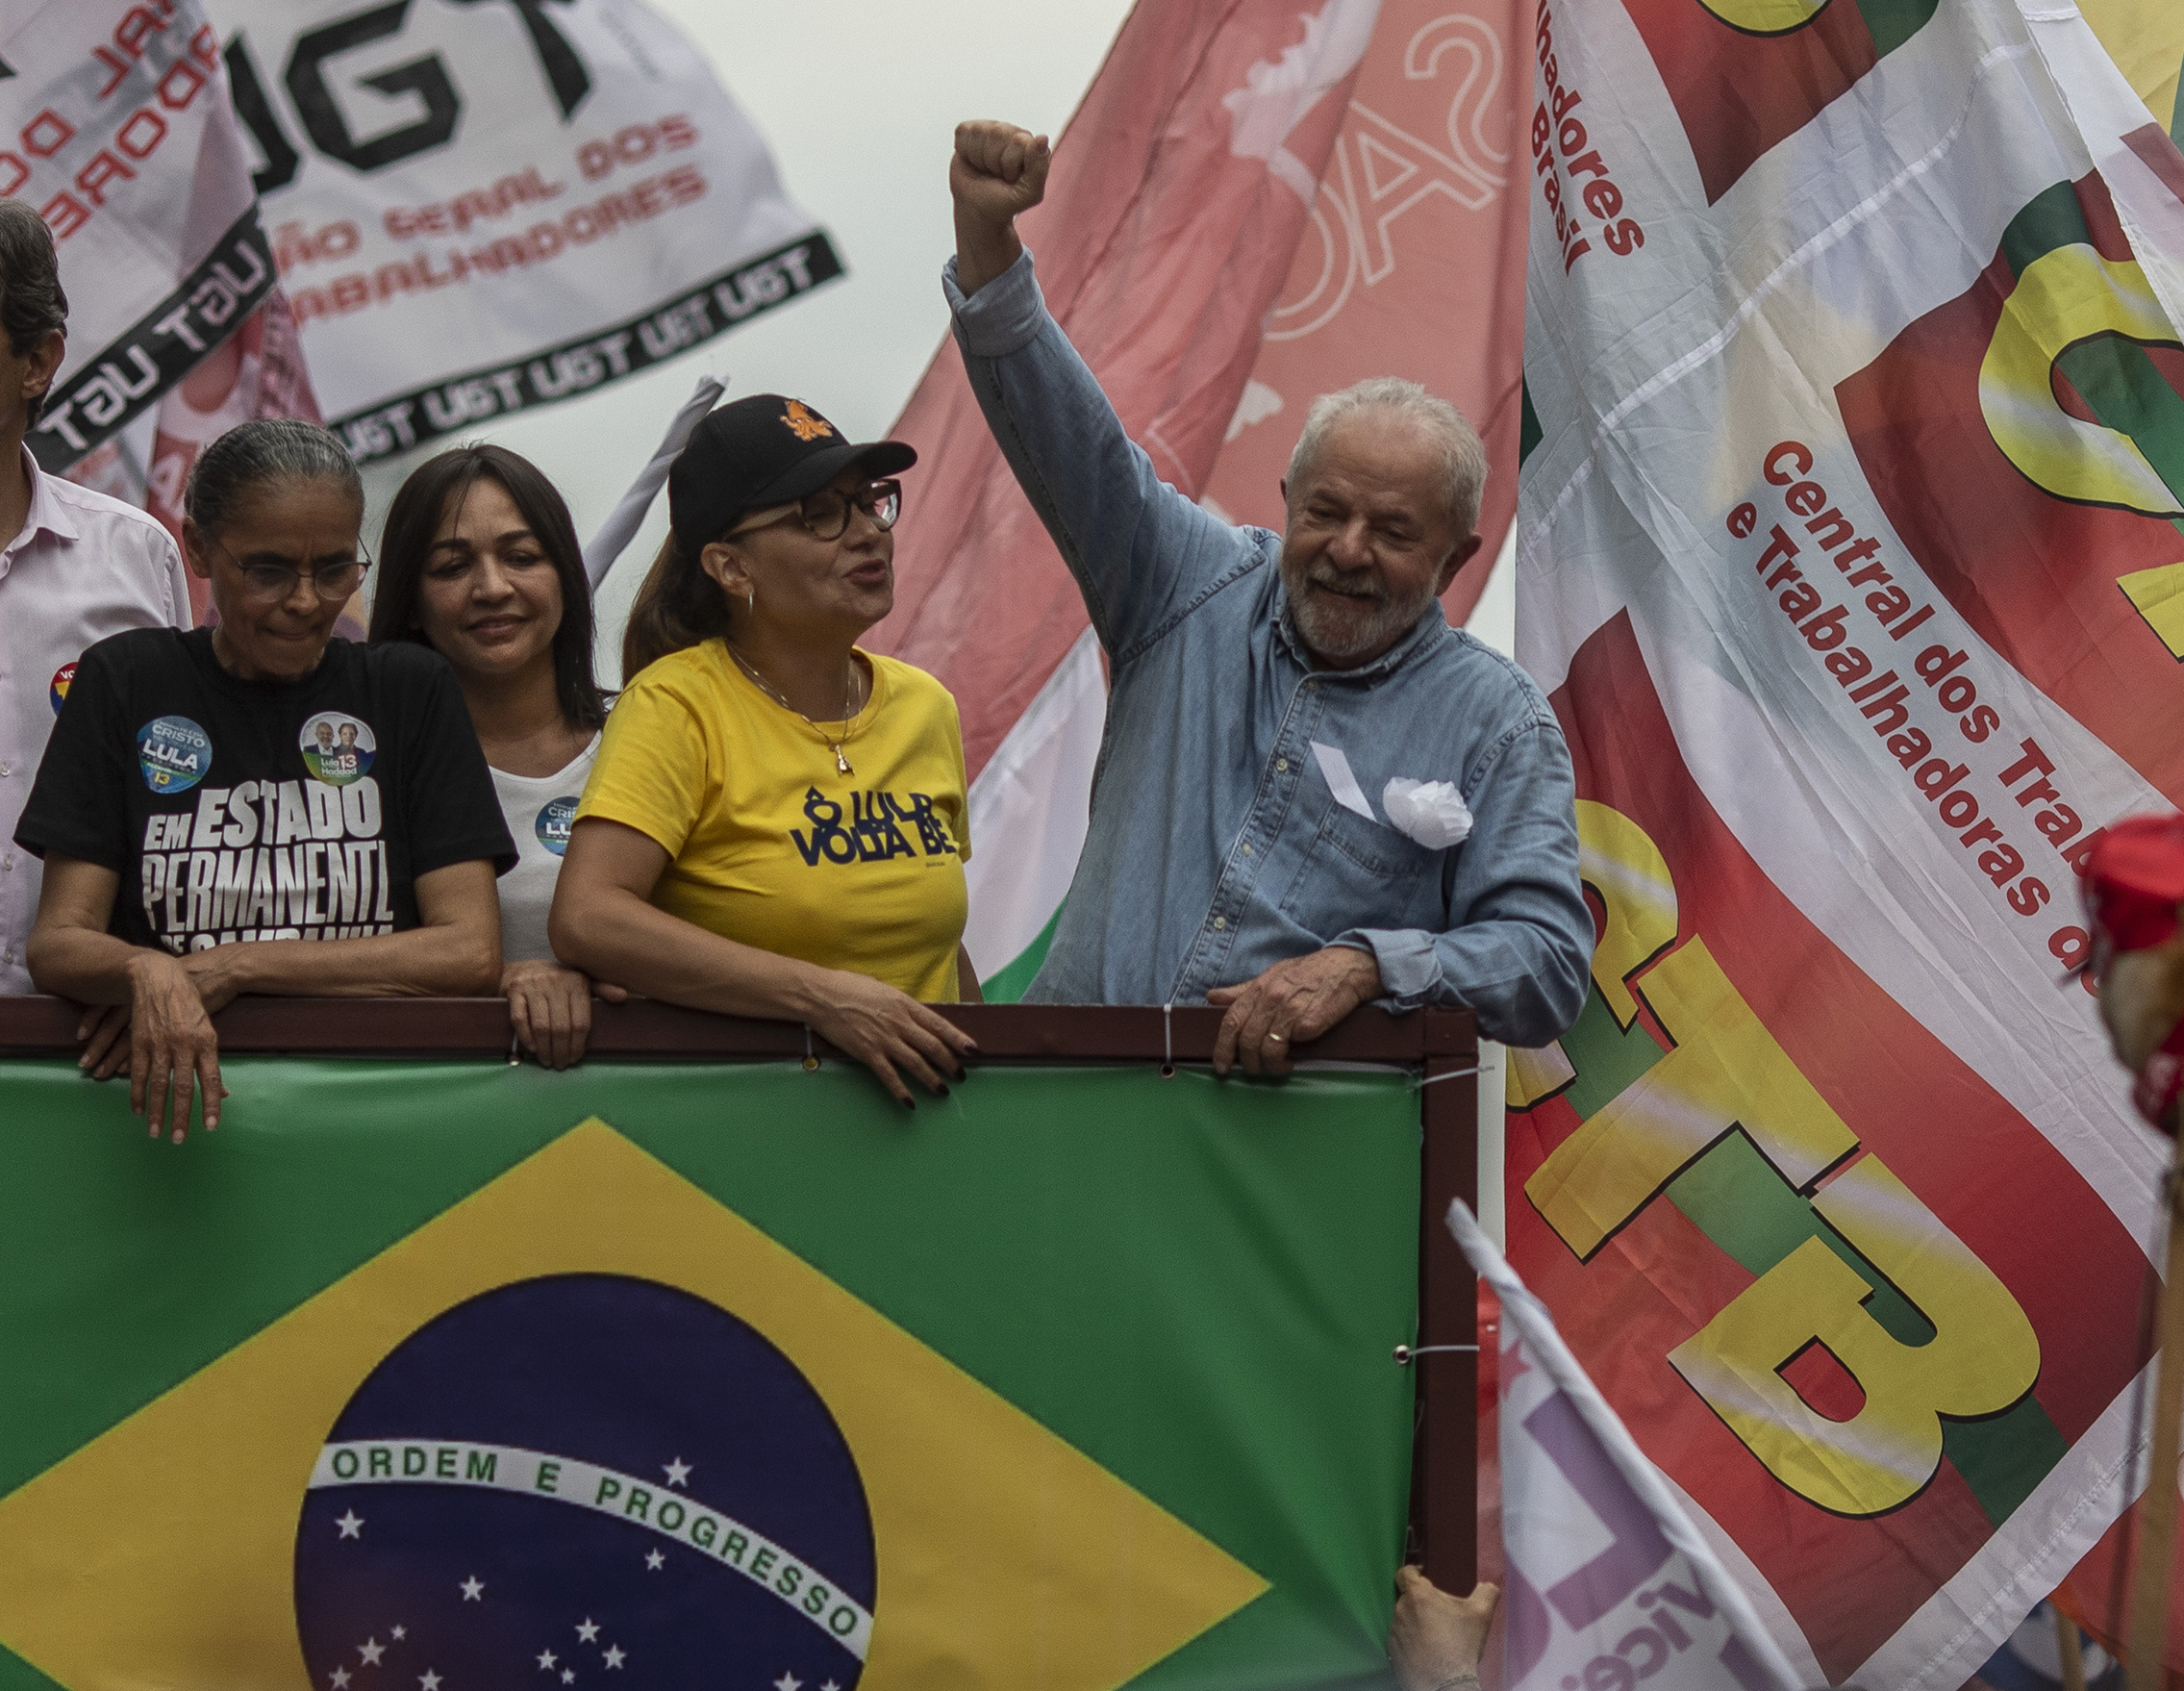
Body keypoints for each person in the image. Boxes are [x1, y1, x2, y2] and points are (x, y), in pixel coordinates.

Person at [941, 120, 1592, 1073]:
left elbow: (1548, 962)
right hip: (1070, 1101)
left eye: (1394, 533)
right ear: (1286, 502)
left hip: (1290, 1145)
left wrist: (1369, 966)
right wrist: (986, 240)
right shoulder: (1187, 586)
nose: (1348, 551)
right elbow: (1067, 438)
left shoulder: (1498, 723)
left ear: (1456, 560)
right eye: (1325, 512)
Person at [15, 419, 511, 1143]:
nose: (307, 601)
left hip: (379, 1114)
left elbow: (468, 951)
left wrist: (230, 969)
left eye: (335, 569)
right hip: (169, 1126)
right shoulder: (126, 680)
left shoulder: (408, 689)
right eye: (269, 571)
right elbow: (60, 943)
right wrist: (147, 975)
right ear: (197, 549)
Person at [547, 393, 980, 1104]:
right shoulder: (676, 706)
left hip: (927, 1125)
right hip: (753, 1131)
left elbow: (940, 949)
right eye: (819, 514)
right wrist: (822, 1000)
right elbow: (588, 918)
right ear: (730, 567)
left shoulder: (926, 706)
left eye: (868, 502)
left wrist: (991, 1091)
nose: (868, 532)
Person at [0, 205, 192, 1002]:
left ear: (38, 361)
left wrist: (139, 970)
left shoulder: (136, 555)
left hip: (89, 1036)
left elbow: (183, 792)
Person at [372, 443, 609, 1070]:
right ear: (410, 600)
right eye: (452, 567)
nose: (493, 588)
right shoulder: (366, 772)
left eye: (522, 557)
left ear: (566, 576)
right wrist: (499, 978)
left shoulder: (650, 736)